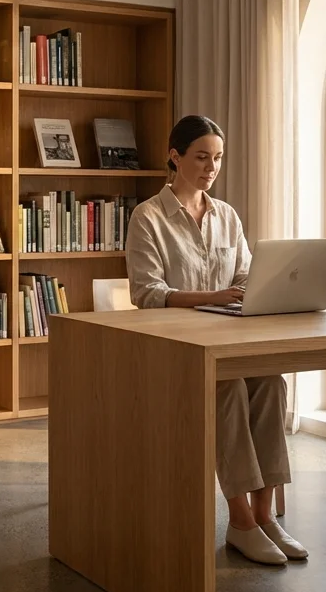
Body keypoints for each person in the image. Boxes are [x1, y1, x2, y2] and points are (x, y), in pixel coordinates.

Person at [124, 115, 305, 566]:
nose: (211, 167)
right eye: (202, 157)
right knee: (228, 391)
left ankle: (266, 516)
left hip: (227, 343)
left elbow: (244, 275)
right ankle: (239, 520)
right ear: (175, 156)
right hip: (174, 353)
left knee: (270, 381)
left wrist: (259, 289)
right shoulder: (147, 216)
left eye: (217, 158)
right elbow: (147, 293)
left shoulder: (226, 216)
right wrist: (215, 295)